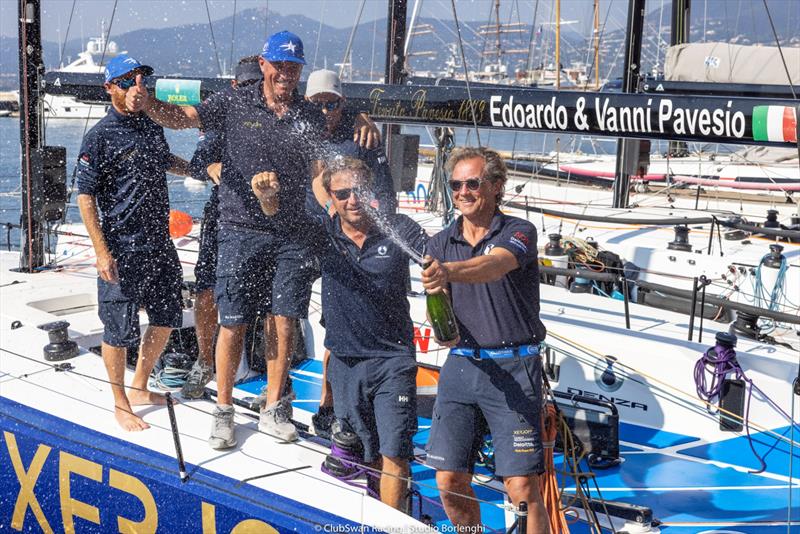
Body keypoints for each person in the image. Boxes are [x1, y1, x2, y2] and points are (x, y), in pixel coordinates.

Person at [125, 30, 379, 449]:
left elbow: (319, 171)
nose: (285, 73)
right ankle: (222, 410)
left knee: (283, 320)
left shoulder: (308, 114)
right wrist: (148, 102)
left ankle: (274, 407)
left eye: (293, 67)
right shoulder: (233, 102)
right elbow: (183, 118)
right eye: (279, 65)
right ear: (263, 64)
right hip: (241, 228)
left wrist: (333, 205)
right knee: (234, 321)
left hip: (294, 231)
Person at [420, 147, 549, 533]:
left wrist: (447, 272)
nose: (463, 191)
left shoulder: (519, 232)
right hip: (461, 367)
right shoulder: (439, 243)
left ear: (495, 186)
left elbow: (494, 266)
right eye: (456, 184)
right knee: (448, 481)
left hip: (515, 367)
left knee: (522, 488)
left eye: (472, 183)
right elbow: (437, 312)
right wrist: (437, 306)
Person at [76, 54, 190, 432]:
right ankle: (120, 401)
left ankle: (140, 386)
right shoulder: (99, 136)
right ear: (110, 87)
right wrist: (101, 250)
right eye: (127, 81)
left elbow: (162, 158)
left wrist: (196, 169)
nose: (136, 87)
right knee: (117, 329)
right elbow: (85, 196)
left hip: (159, 242)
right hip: (121, 246)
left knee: (167, 316)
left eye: (141, 79)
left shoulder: (151, 125)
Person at [309, 157, 427, 510]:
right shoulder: (322, 234)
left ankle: (392, 523)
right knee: (367, 453)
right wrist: (268, 199)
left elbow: (439, 261)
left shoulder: (399, 228)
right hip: (345, 363)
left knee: (395, 454)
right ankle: (381, 512)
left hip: (393, 361)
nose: (352, 200)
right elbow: (279, 222)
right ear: (331, 197)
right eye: (342, 193)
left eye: (359, 191)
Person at [304, 68, 397, 436]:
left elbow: (385, 193)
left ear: (343, 103)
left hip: (347, 239)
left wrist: (371, 228)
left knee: (339, 326)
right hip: (308, 235)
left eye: (333, 103)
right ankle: (295, 400)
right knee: (291, 316)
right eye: (317, 104)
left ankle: (332, 406)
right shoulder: (298, 131)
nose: (325, 111)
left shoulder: (360, 138)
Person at [181, 56, 263, 400]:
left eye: (256, 85)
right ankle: (203, 359)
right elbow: (198, 164)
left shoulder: (281, 116)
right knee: (206, 289)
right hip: (224, 216)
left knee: (267, 302)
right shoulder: (224, 120)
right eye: (245, 86)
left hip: (267, 222)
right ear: (234, 87)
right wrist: (212, 164)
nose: (251, 93)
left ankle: (259, 369)